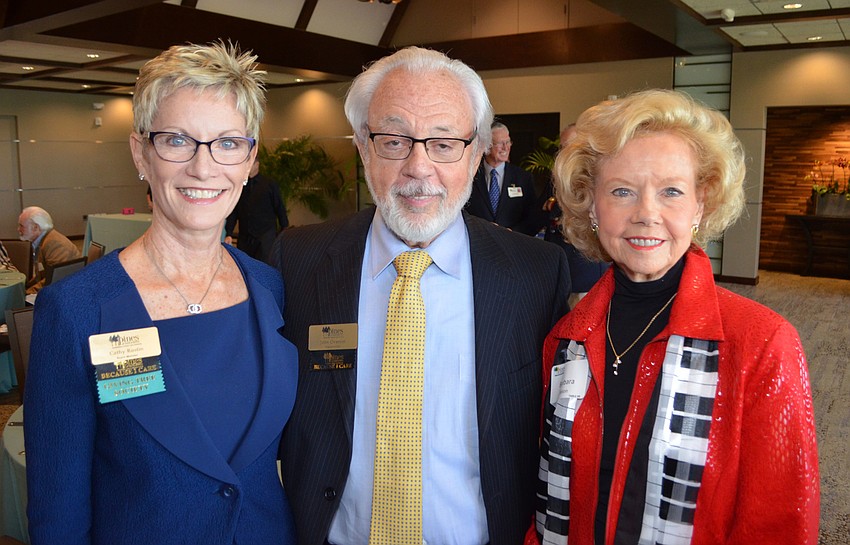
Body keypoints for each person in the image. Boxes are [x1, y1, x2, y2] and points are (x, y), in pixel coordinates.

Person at [271, 46, 571, 545]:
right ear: (364, 148)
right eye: (394, 141)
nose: (418, 166)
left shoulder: (534, 273)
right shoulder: (298, 260)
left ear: (475, 155)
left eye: (444, 143)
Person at [24, 42, 299, 545]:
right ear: (141, 154)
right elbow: (57, 511)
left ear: (250, 159)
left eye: (228, 143)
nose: (203, 166)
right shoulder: (78, 310)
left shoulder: (270, 287)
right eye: (177, 140)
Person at [530, 89, 819, 545]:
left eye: (671, 191)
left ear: (700, 204)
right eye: (622, 191)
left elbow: (778, 525)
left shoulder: (762, 343)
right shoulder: (566, 337)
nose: (647, 213)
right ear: (591, 206)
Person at [542, 123, 608, 304]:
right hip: (559, 276)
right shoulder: (559, 179)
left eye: (570, 147)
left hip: (586, 278)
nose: (564, 154)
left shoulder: (597, 181)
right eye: (562, 148)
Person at [465, 121, 541, 234]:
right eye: (500, 143)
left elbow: (533, 218)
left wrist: (511, 232)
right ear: (487, 146)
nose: (505, 148)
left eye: (508, 142)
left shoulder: (523, 178)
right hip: (478, 241)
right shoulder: (470, 176)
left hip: (513, 244)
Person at [224, 156, 288, 262]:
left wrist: (284, 229)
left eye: (250, 164)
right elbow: (234, 211)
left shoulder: (269, 184)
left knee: (264, 265)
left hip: (265, 235)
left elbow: (279, 207)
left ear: (257, 165)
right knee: (244, 264)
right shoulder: (240, 185)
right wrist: (229, 233)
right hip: (245, 236)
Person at [17, 206, 81, 293]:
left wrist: (27, 293)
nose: (18, 229)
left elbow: (55, 279)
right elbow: (43, 275)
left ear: (36, 227)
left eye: (21, 226)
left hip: (67, 292)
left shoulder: (55, 244)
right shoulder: (43, 240)